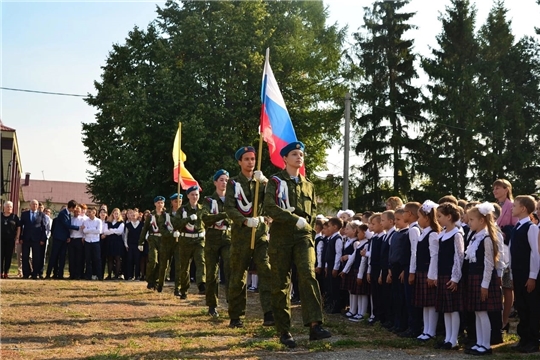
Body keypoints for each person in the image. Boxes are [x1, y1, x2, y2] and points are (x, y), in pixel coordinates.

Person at [264, 141, 331, 348]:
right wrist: (293, 219)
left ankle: (314, 325)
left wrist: (309, 231)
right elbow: (269, 207)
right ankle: (284, 331)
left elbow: (310, 215)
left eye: (301, 154)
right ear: (284, 158)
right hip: (281, 238)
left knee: (308, 276)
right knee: (281, 283)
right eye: (294, 154)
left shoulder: (308, 184)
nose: (299, 157)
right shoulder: (275, 182)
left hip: (303, 237)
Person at [224, 146, 273, 329]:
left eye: (253, 159)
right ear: (239, 162)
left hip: (260, 233)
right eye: (246, 159)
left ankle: (269, 313)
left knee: (265, 270)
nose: (250, 162)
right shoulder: (233, 184)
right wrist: (244, 221)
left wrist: (267, 183)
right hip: (241, 235)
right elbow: (229, 208)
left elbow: (273, 201)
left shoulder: (261, 182)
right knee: (238, 276)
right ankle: (236, 316)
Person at [463, 203, 502, 356]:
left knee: (483, 312)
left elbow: (489, 264)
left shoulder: (486, 238)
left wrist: (484, 284)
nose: (468, 222)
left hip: (482, 280)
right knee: (477, 312)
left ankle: (486, 345)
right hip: (474, 278)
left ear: (481, 221)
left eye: (471, 219)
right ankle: (479, 342)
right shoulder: (475, 237)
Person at [431, 202, 464, 350]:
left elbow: (459, 257)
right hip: (442, 274)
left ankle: (454, 339)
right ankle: (447, 338)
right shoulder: (442, 234)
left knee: (453, 308)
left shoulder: (457, 234)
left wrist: (455, 277)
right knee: (445, 308)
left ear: (449, 217)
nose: (437, 219)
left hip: (451, 277)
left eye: (440, 216)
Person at [509, 195, 539, 353]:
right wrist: (513, 277)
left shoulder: (531, 228)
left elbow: (535, 253)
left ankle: (534, 340)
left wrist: (532, 276)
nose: (512, 208)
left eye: (515, 205)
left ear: (523, 209)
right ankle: (524, 338)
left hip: (528, 275)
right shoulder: (517, 228)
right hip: (518, 274)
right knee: (521, 306)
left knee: (531, 307)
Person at [202, 169, 232, 317]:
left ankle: (231, 302)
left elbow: (236, 217)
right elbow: (205, 218)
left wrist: (225, 218)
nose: (224, 182)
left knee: (230, 270)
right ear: (215, 182)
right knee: (212, 274)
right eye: (221, 179)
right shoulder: (208, 200)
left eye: (226, 180)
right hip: (212, 238)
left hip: (227, 237)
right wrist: (224, 215)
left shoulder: (232, 199)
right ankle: (212, 305)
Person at [492, 179, 518, 336]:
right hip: (494, 250)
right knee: (497, 285)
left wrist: (504, 232)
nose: (495, 191)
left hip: (506, 251)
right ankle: (497, 318)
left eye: (498, 188)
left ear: (506, 189)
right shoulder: (494, 207)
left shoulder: (511, 206)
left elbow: (515, 228)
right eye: (494, 188)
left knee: (507, 285)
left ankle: (505, 319)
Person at [412, 200, 440, 342]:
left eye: (419, 217)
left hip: (429, 272)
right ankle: (426, 329)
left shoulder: (433, 234)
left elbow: (434, 256)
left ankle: (431, 331)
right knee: (425, 303)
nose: (418, 220)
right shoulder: (424, 233)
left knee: (431, 303)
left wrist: (432, 275)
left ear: (427, 218)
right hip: (422, 271)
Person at [173, 185, 206, 298]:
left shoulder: (202, 208)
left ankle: (202, 284)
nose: (194, 197)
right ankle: (184, 290)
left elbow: (208, 221)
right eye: (192, 194)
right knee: (184, 267)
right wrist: (188, 219)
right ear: (188, 196)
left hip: (199, 240)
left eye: (196, 194)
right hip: (185, 241)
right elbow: (176, 224)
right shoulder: (182, 210)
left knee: (201, 261)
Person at [340, 221, 369, 322]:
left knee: (362, 293)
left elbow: (362, 259)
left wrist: (360, 274)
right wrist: (344, 270)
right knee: (354, 291)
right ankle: (355, 311)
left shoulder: (365, 244)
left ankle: (362, 313)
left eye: (359, 232)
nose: (357, 234)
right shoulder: (358, 244)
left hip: (361, 271)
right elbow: (353, 258)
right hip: (356, 270)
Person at [139, 196, 170, 290]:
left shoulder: (166, 215)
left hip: (163, 240)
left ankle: (156, 280)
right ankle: (149, 279)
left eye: (162, 203)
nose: (160, 204)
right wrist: (141, 242)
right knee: (153, 260)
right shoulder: (151, 216)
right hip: (153, 239)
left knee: (161, 262)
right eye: (158, 202)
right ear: (155, 204)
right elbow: (145, 229)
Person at [46, 200, 80, 279]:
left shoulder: (68, 214)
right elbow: (66, 225)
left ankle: (60, 274)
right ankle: (48, 273)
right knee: (54, 256)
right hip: (58, 238)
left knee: (62, 256)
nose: (75, 210)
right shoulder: (63, 213)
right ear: (71, 207)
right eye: (74, 208)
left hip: (64, 239)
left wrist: (68, 236)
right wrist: (78, 227)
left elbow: (66, 229)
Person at [19, 199, 47, 279]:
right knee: (25, 256)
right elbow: (20, 227)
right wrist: (21, 237)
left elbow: (44, 227)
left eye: (36, 204)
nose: (35, 206)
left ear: (38, 206)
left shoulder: (41, 215)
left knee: (36, 257)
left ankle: (35, 273)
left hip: (37, 239)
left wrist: (42, 239)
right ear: (30, 205)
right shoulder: (24, 214)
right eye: (33, 204)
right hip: (26, 238)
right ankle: (26, 273)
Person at [366, 213, 385, 325]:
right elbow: (372, 254)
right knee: (374, 293)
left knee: (380, 293)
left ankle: (380, 316)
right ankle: (374, 314)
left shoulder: (383, 237)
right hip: (373, 268)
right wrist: (369, 271)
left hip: (379, 269)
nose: (371, 226)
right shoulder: (374, 238)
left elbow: (382, 257)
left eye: (374, 224)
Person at [380, 210, 397, 330]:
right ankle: (386, 318)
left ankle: (392, 320)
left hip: (390, 270)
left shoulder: (393, 235)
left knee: (392, 296)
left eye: (382, 220)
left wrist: (389, 271)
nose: (381, 223)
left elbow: (392, 254)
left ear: (391, 221)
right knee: (385, 295)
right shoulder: (386, 235)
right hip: (384, 269)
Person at [323, 217, 343, 314]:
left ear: (335, 227)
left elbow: (338, 254)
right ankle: (330, 304)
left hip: (334, 265)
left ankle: (336, 307)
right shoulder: (330, 238)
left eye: (330, 226)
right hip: (329, 265)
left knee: (335, 287)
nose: (328, 228)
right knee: (330, 286)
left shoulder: (338, 238)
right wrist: (327, 267)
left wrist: (336, 268)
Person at [104, 208, 125, 280]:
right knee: (110, 258)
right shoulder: (108, 222)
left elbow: (120, 232)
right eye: (114, 213)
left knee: (117, 258)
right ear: (112, 214)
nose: (116, 215)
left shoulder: (121, 223)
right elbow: (105, 231)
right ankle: (109, 274)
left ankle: (116, 275)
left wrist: (111, 230)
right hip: (110, 242)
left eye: (117, 214)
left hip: (117, 242)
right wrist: (114, 231)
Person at [82, 206, 103, 280]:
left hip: (95, 242)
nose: (89, 213)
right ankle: (88, 275)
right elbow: (84, 231)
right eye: (88, 212)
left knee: (97, 259)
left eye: (90, 212)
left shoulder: (98, 221)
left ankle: (99, 275)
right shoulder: (85, 221)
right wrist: (93, 229)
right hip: (88, 241)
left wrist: (89, 230)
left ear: (94, 213)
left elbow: (99, 231)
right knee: (88, 259)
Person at [1, 201, 20, 278]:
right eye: (8, 206)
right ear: (4, 207)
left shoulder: (15, 217)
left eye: (11, 207)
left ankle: (6, 273)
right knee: (0, 256)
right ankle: (0, 273)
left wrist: (17, 238)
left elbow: (19, 228)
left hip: (10, 239)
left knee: (8, 256)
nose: (9, 208)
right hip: (1, 239)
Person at [124, 209, 144, 281]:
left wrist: (141, 243)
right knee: (130, 260)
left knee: (137, 260)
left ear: (138, 215)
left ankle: (137, 276)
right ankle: (130, 275)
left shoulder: (141, 224)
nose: (133, 216)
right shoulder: (128, 225)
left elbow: (143, 235)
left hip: (138, 245)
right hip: (130, 245)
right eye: (132, 215)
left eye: (134, 215)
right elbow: (125, 235)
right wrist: (126, 244)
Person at [69, 205, 86, 280]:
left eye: (78, 212)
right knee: (72, 257)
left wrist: (83, 237)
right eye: (75, 212)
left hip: (79, 239)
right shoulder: (71, 219)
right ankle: (72, 274)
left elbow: (84, 230)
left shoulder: (83, 220)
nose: (77, 213)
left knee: (79, 258)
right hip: (72, 239)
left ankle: (78, 274)